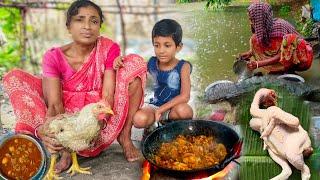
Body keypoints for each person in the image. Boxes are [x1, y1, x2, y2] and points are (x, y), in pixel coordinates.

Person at [2, 0, 147, 174]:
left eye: (94, 21)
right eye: (80, 20)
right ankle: (66, 152)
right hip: (67, 115)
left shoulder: (108, 48)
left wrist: (95, 121)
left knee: (133, 63)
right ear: (69, 26)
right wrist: (59, 135)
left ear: (100, 26)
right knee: (14, 78)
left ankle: (124, 136)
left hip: (94, 114)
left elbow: (108, 94)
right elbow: (55, 104)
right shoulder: (53, 57)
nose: (87, 26)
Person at [126, 19, 193, 128]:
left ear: (178, 47)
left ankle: (171, 124)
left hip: (173, 108)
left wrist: (162, 110)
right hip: (154, 107)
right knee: (139, 120)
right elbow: (133, 68)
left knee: (185, 111)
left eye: (167, 45)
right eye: (157, 45)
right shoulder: (151, 63)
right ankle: (154, 125)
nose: (161, 51)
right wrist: (122, 60)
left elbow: (185, 96)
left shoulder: (183, 66)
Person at [239, 2, 313, 74]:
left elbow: (282, 54)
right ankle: (278, 69)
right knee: (254, 39)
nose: (251, 22)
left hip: (302, 57)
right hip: (284, 57)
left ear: (259, 19)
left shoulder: (280, 27)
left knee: (289, 39)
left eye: (252, 19)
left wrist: (259, 64)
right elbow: (270, 47)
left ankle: (289, 70)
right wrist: (250, 53)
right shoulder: (263, 31)